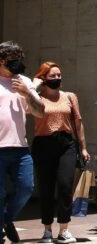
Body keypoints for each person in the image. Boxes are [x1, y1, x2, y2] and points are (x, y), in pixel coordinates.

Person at [31, 61, 91, 244]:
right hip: (43, 144)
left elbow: (78, 123)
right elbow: (30, 110)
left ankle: (64, 229)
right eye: (52, 76)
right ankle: (47, 230)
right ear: (43, 78)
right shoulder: (37, 98)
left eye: (59, 75)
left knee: (65, 185)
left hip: (66, 144)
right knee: (46, 187)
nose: (57, 78)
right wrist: (34, 88)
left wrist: (83, 147)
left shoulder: (70, 97)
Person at [0, 41, 44, 244]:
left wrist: (27, 93)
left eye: (20, 60)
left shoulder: (24, 81)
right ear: (2, 61)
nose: (18, 64)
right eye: (13, 61)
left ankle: (7, 220)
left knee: (26, 187)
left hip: (19, 147)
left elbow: (40, 112)